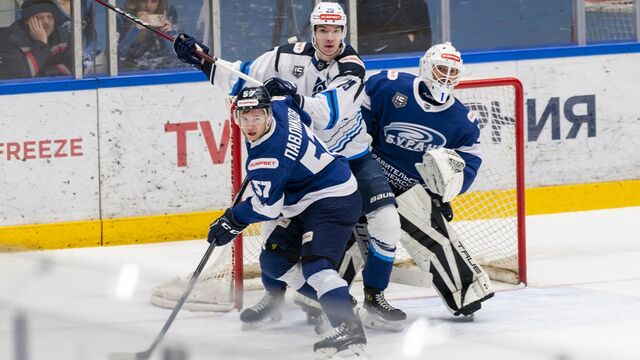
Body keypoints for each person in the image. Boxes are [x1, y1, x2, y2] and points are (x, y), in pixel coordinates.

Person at [172, 2, 407, 330]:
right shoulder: (285, 56)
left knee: (386, 221)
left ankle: (375, 295)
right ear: (313, 31)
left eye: (336, 30)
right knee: (274, 222)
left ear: (344, 32)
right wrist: (203, 60)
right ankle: (274, 296)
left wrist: (295, 100)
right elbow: (243, 76)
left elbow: (329, 112)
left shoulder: (352, 67)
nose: (330, 37)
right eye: (323, 30)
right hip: (302, 165)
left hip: (350, 158)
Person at [207, 85, 366, 356]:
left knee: (317, 267)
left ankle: (349, 332)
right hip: (307, 198)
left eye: (256, 117)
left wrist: (232, 219)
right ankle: (338, 303)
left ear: (267, 114)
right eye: (244, 118)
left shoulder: (266, 159)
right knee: (274, 259)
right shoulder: (281, 106)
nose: (250, 125)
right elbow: (302, 117)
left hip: (332, 197)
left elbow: (268, 208)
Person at [360, 42, 495, 316]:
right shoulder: (389, 86)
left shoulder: (461, 120)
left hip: (413, 191)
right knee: (351, 235)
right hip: (369, 176)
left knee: (439, 239)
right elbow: (357, 119)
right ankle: (323, 294)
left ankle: (464, 292)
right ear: (426, 68)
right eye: (441, 69)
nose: (446, 77)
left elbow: (470, 161)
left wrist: (446, 192)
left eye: (452, 72)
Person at [0, 0, 72, 80]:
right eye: (40, 17)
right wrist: (41, 43)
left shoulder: (62, 34)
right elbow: (25, 76)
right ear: (27, 21)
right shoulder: (12, 39)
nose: (46, 22)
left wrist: (43, 74)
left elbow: (72, 66)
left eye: (50, 17)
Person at [117, 0, 181, 71]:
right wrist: (135, 30)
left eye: (154, 1)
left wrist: (169, 34)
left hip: (160, 70)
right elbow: (116, 56)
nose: (148, 6)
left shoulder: (168, 16)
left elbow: (178, 58)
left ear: (159, 3)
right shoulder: (122, 18)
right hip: (129, 72)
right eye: (143, 1)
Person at [357, 0, 431, 54]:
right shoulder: (367, 6)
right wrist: (405, 39)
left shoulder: (418, 4)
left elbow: (425, 43)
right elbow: (366, 45)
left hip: (410, 62)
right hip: (375, 63)